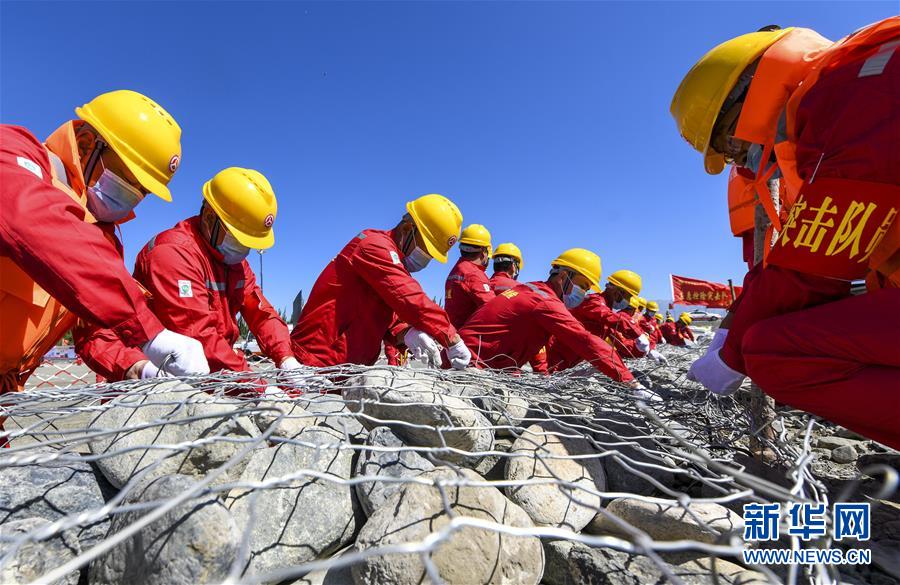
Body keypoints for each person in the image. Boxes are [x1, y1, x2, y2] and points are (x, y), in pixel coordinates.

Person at [671, 18, 899, 447]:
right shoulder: (849, 84)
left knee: (773, 352)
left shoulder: (855, 87)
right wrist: (735, 322)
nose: (741, 161)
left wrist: (732, 354)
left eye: (731, 144)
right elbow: (793, 254)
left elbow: (815, 265)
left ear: (749, 94)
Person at [0, 89, 209, 395]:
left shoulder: (102, 240)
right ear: (87, 144)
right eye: (128, 181)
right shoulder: (12, 152)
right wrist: (150, 332)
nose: (134, 198)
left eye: (143, 192)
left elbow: (95, 332)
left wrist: (136, 366)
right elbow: (28, 216)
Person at [75, 168, 296, 379]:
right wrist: (257, 388)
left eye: (249, 242)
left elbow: (260, 312)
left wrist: (286, 357)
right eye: (238, 238)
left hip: (209, 376)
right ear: (209, 217)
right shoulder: (173, 254)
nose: (243, 249)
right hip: (153, 379)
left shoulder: (236, 264)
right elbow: (199, 334)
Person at [290, 194, 471, 369]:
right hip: (314, 360)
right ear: (407, 229)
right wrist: (452, 338)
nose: (426, 259)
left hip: (346, 367)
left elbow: (386, 317)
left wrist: (407, 333)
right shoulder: (374, 245)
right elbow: (410, 298)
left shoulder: (393, 265)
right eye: (426, 251)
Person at [459, 249, 642, 390]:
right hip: (470, 367)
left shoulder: (533, 289)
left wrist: (535, 371)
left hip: (477, 362)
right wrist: (630, 381)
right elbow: (584, 340)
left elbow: (524, 339)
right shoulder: (545, 301)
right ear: (563, 276)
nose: (583, 293)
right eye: (582, 286)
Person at [545, 269, 646, 370]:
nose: (628, 301)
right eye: (628, 296)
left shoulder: (607, 310)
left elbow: (618, 341)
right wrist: (637, 333)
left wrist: (640, 350)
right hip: (556, 357)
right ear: (617, 291)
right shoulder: (594, 301)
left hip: (570, 361)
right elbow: (608, 316)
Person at [488, 242, 548, 373]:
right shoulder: (519, 290)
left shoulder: (483, 285)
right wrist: (541, 369)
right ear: (514, 266)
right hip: (506, 360)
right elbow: (533, 331)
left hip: (476, 353)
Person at [444, 224, 494, 329]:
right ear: (484, 252)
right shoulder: (474, 274)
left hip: (453, 331)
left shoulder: (457, 270)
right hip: (466, 335)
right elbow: (494, 308)